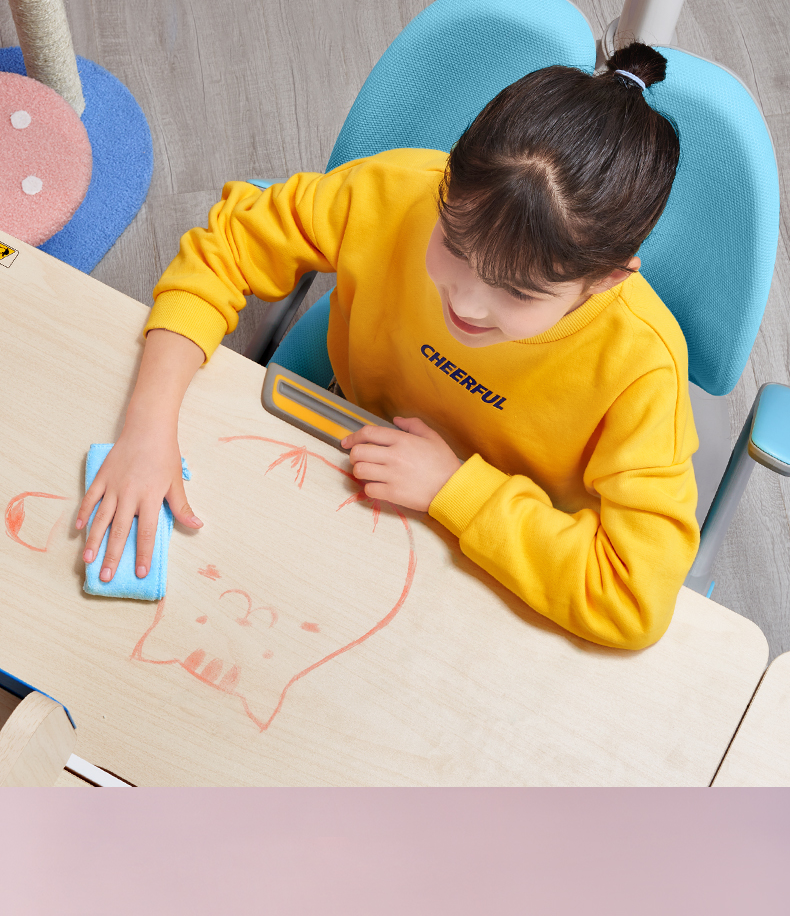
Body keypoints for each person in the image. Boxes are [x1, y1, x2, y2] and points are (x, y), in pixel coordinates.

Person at [75, 45, 699, 652]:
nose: (468, 305)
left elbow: (633, 596)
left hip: (491, 550)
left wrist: (454, 488)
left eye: (516, 292)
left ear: (610, 278)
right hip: (349, 456)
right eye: (453, 246)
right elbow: (233, 241)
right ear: (446, 182)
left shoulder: (642, 367)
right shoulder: (400, 189)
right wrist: (147, 427)